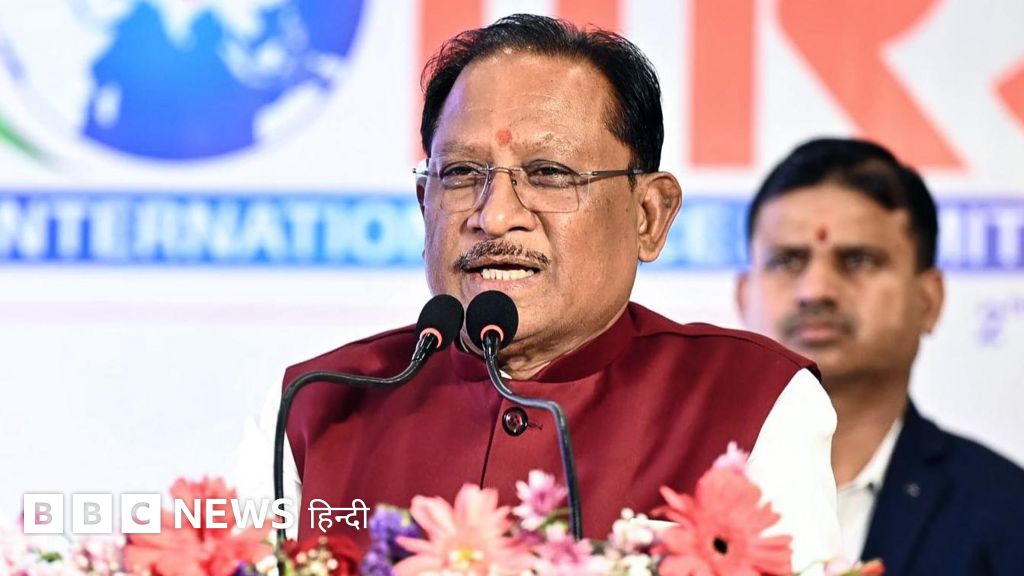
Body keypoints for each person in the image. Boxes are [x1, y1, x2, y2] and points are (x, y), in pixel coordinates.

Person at [236, 14, 840, 569]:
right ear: (425, 205)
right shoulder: (315, 405)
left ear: (648, 216)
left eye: (549, 174)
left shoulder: (754, 401)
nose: (494, 216)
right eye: (462, 174)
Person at [737, 137, 1024, 574]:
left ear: (928, 299)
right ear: (743, 297)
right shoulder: (673, 484)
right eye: (788, 261)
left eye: (857, 260)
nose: (816, 290)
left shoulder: (1006, 511)